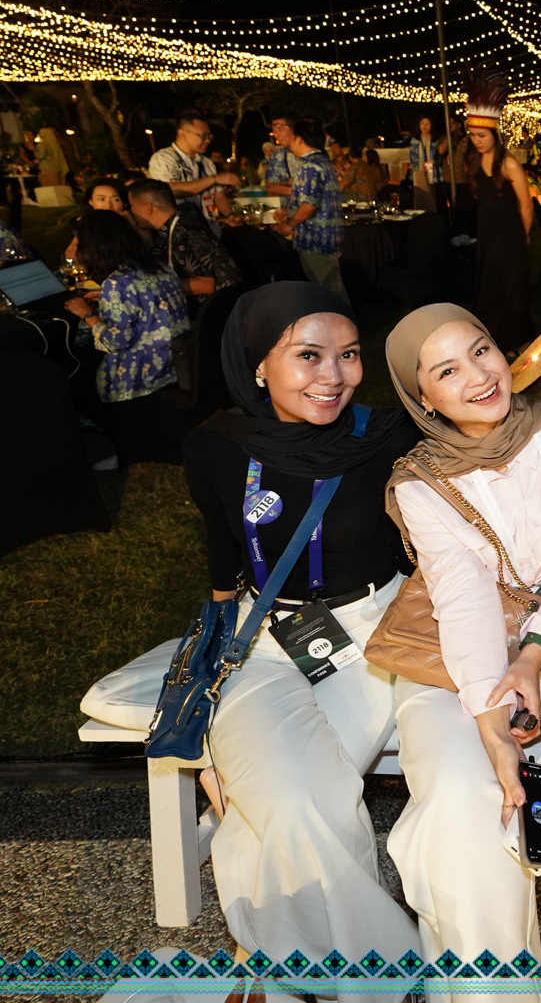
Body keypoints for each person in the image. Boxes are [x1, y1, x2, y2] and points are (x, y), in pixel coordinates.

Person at [179, 282, 421, 970]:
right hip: (262, 635)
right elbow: (221, 553)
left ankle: (301, 968)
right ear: (259, 364)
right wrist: (212, 652)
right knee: (280, 795)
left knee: (300, 800)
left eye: (349, 354)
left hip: (372, 636)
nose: (334, 376)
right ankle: (371, 966)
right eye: (308, 355)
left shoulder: (387, 437)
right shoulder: (215, 447)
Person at [380, 304, 541, 973]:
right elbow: (463, 599)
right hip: (450, 656)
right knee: (462, 793)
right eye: (446, 371)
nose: (479, 376)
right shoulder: (421, 483)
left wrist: (533, 655)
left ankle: (471, 979)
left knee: (490, 807)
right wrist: (491, 721)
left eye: (481, 351)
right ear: (422, 397)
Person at [63, 209, 191, 409]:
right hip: (175, 367)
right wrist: (108, 298)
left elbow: (116, 342)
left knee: (74, 374)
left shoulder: (117, 283)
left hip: (140, 379)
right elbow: (147, 300)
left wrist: (86, 314)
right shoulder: (162, 267)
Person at [464, 73, 535, 354]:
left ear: (495, 133)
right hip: (487, 234)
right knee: (490, 288)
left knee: (511, 290)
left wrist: (523, 237)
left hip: (509, 235)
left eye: (481, 135)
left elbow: (526, 205)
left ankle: (515, 340)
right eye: (472, 135)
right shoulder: (473, 161)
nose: (477, 141)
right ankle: (495, 342)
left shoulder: (509, 163)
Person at [128, 178, 241, 315]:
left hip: (215, 315)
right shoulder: (172, 228)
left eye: (131, 206)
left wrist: (149, 287)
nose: (131, 211)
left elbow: (205, 285)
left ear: (148, 207)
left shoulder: (185, 231)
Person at [272, 116, 346, 295]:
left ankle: (340, 314)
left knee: (329, 291)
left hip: (315, 239)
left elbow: (310, 204)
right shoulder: (322, 160)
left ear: (299, 139)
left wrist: (289, 224)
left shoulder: (309, 165)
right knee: (329, 288)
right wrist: (290, 211)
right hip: (328, 236)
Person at [406, 115, 442, 208]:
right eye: (422, 123)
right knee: (420, 198)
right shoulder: (414, 141)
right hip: (419, 172)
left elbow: (439, 157)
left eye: (427, 124)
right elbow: (412, 158)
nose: (425, 126)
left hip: (433, 173)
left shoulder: (435, 140)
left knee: (433, 198)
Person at [260, 117, 297, 199]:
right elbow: (270, 186)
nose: (276, 134)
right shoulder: (277, 156)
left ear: (293, 129)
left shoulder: (313, 155)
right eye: (274, 130)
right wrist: (297, 191)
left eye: (280, 129)